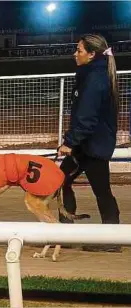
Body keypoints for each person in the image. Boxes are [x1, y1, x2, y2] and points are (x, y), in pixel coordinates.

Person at [57, 34, 121, 252]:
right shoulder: (92, 75)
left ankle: (112, 240)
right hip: (88, 144)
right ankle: (65, 233)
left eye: (79, 50)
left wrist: (69, 142)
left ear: (92, 54)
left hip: (92, 145)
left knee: (102, 191)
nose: (75, 54)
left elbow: (87, 116)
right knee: (60, 181)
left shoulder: (95, 79)